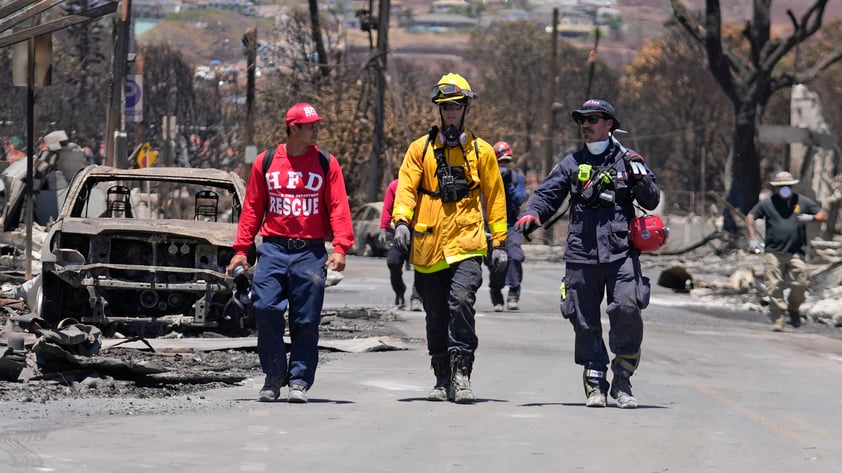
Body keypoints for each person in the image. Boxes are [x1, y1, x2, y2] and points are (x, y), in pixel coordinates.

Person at [514, 98, 660, 409]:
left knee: (626, 307)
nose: (586, 125)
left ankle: (623, 378)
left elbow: (651, 199)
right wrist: (533, 213)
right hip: (581, 254)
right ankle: (595, 382)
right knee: (583, 319)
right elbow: (547, 193)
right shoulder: (571, 163)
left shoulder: (629, 160)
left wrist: (639, 176)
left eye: (593, 119)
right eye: (582, 119)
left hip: (621, 253)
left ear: (609, 124)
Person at [392, 73, 508, 404]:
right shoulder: (420, 150)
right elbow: (406, 187)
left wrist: (499, 243)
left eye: (456, 107)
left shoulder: (481, 152)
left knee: (460, 303)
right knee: (436, 315)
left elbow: (495, 198)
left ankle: (462, 374)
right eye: (446, 108)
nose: (451, 113)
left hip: (467, 243)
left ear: (466, 108)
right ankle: (441, 377)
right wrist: (401, 221)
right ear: (439, 111)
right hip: (428, 247)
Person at [228, 102, 354, 403]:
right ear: (292, 128)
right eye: (309, 125)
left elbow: (338, 206)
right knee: (266, 308)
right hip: (272, 249)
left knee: (306, 320)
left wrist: (341, 246)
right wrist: (241, 250)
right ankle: (273, 375)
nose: (316, 129)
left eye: (317, 125)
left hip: (310, 252)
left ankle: (299, 379)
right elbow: (252, 210)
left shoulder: (326, 162)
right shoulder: (266, 161)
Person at [745, 171, 827, 332]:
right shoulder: (768, 203)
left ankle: (794, 308)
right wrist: (753, 239)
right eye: (781, 186)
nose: (784, 189)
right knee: (774, 285)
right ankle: (778, 318)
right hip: (773, 251)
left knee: (800, 284)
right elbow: (750, 217)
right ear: (775, 188)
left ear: (792, 187)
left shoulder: (802, 202)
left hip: (796, 251)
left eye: (787, 186)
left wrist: (811, 218)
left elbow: (822, 215)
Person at [487, 141, 527, 311]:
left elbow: (519, 199)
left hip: (511, 224)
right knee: (495, 261)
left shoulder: (517, 178)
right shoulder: (486, 177)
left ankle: (514, 291)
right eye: (500, 161)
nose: (503, 165)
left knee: (515, 256)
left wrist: (509, 186)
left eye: (506, 162)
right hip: (491, 226)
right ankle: (496, 294)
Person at [378, 178, 423, 310]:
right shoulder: (394, 186)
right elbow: (387, 208)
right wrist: (383, 228)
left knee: (421, 267)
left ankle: (417, 298)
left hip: (419, 232)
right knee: (393, 262)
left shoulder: (425, 184)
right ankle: (400, 290)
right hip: (397, 230)